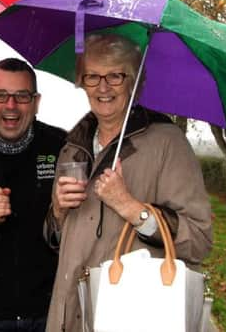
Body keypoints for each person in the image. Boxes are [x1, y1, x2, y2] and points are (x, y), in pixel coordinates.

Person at [43, 34, 213, 332]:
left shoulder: (167, 143)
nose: (103, 87)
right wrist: (57, 212)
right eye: (93, 76)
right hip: (71, 312)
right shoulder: (73, 146)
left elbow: (198, 240)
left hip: (131, 313)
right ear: (81, 82)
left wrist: (130, 207)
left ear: (135, 82)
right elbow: (56, 241)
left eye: (116, 76)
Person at [0, 58, 66, 332]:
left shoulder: (63, 147)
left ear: (36, 101)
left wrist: (63, 212)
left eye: (22, 96)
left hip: (52, 312)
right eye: (0, 95)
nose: (10, 106)